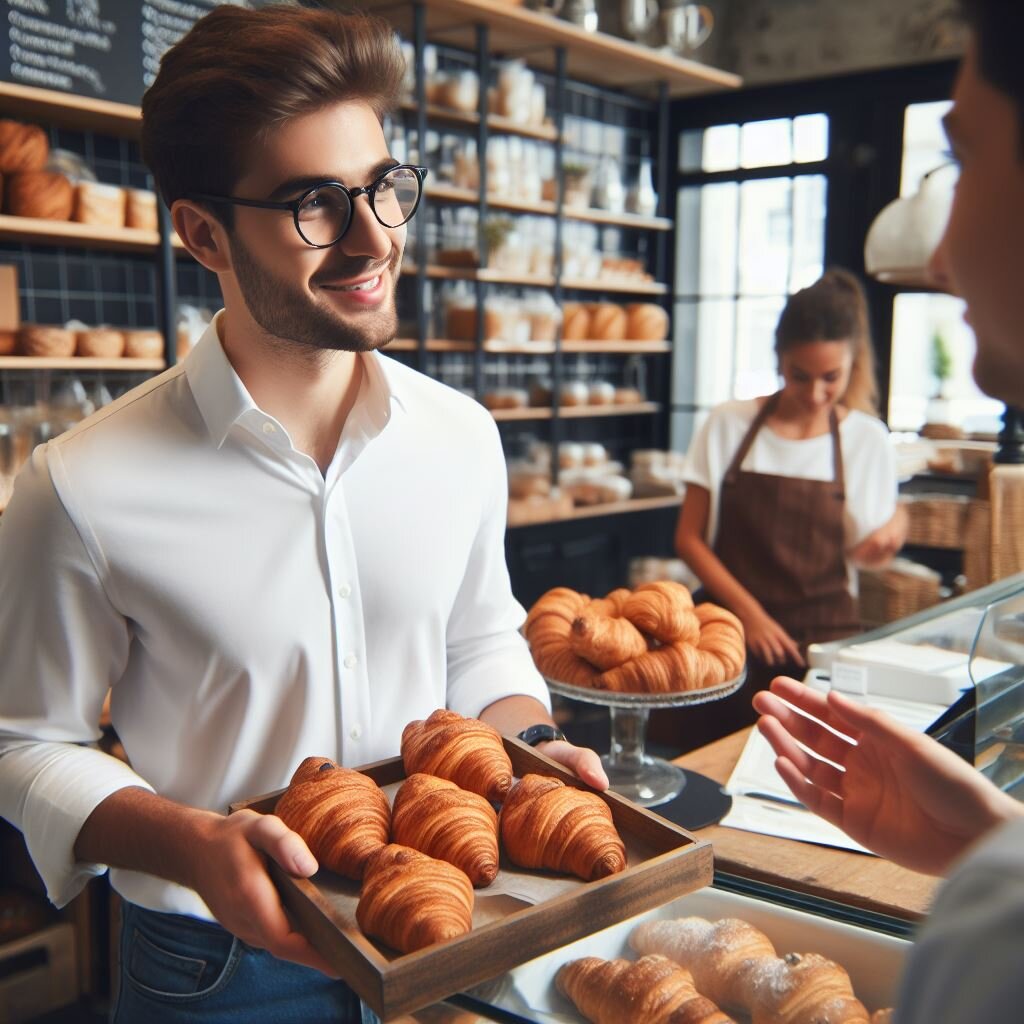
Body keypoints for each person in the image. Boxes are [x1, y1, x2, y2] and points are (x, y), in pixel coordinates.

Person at [0, 7, 605, 1022]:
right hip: (217, 970)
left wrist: (530, 741)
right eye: (314, 205)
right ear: (202, 234)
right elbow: (22, 743)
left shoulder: (460, 436)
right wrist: (191, 841)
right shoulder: (78, 484)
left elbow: (480, 641)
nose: (376, 239)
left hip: (455, 925)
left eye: (382, 187)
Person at [755, 1, 1024, 1018]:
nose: (939, 255)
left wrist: (997, 873)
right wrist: (989, 835)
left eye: (963, 162)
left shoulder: (1000, 924)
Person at [668, 269, 905, 746]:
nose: (815, 394)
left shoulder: (866, 440)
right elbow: (688, 540)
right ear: (779, 359)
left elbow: (862, 551)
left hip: (818, 651)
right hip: (726, 641)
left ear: (852, 363)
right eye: (800, 376)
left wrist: (893, 529)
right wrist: (749, 615)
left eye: (830, 378)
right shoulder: (728, 425)